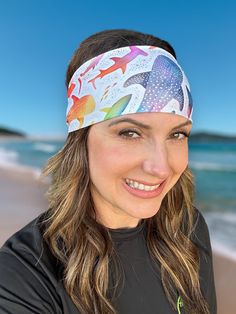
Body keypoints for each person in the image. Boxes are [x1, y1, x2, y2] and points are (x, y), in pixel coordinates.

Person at [0, 29, 217, 314]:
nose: (161, 166)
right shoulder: (24, 274)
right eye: (130, 132)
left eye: (177, 135)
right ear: (81, 140)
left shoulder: (187, 228)